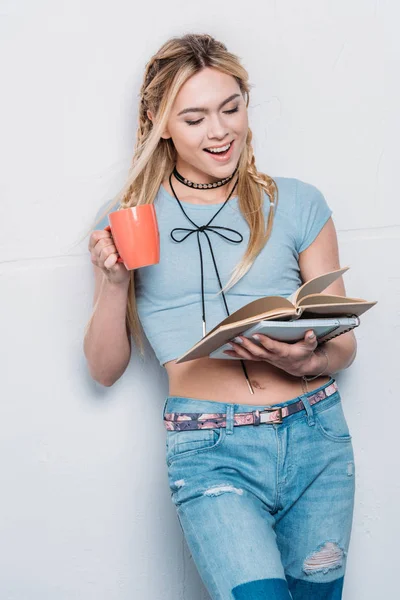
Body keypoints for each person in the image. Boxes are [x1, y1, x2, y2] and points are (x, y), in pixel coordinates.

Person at [84, 33, 356, 600]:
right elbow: (104, 370)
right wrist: (113, 285)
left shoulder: (299, 202)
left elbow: (344, 348)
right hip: (211, 450)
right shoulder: (131, 219)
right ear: (160, 123)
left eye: (231, 108)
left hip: (315, 435)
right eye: (195, 117)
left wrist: (309, 355)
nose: (220, 130)